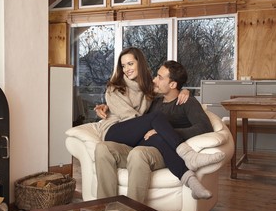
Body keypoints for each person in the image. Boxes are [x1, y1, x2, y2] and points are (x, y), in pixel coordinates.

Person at [95, 48, 225, 200]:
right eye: (123, 66)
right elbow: (131, 118)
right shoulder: (114, 88)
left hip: (137, 139)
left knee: (155, 135)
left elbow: (169, 89)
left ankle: (190, 180)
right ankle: (188, 156)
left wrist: (185, 91)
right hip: (115, 130)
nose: (126, 69)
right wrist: (106, 107)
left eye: (130, 64)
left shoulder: (149, 90)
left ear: (140, 64)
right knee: (155, 121)